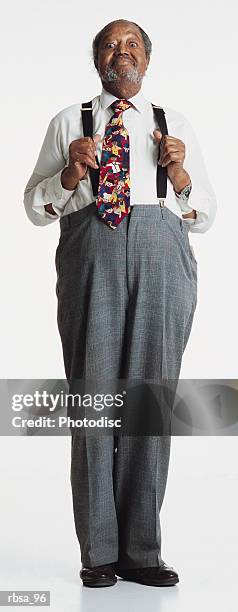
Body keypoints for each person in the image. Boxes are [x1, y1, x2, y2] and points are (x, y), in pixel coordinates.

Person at [23, 19, 217, 588]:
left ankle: (142, 552)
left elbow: (204, 213)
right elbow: (35, 207)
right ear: (96, 60)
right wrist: (70, 172)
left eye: (132, 44)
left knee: (150, 400)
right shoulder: (68, 122)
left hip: (163, 251)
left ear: (147, 60)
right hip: (92, 253)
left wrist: (179, 174)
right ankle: (99, 552)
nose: (121, 53)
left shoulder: (172, 123)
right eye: (110, 44)